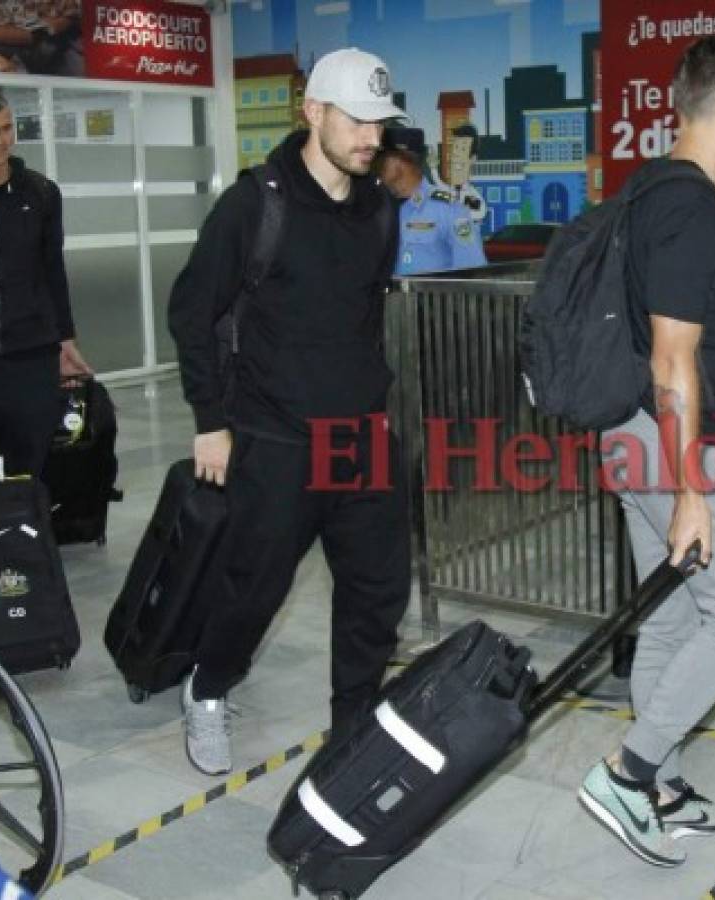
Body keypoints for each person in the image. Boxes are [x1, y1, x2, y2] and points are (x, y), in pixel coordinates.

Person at [167, 47, 412, 776]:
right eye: (357, 119)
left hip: (360, 431)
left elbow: (363, 317)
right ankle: (208, 688)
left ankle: (353, 724)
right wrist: (211, 420)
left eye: (380, 121)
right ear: (313, 112)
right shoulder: (256, 202)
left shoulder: (379, 211)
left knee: (376, 591)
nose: (372, 136)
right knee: (255, 586)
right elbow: (191, 311)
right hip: (274, 434)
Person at [577, 36, 715, 868]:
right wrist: (694, 483)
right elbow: (672, 356)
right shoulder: (693, 207)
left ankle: (658, 783)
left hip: (630, 436)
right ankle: (627, 774)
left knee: (669, 613)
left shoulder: (643, 192)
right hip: (678, 445)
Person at [0, 86, 92, 482]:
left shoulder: (42, 194)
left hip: (31, 355)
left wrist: (65, 341)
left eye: (5, 129)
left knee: (30, 466)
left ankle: (24, 543)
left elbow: (52, 271)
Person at [377, 126, 487, 275]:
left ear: (399, 162)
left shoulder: (450, 210)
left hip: (430, 298)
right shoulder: (375, 207)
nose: (375, 165)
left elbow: (473, 274)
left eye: (381, 159)